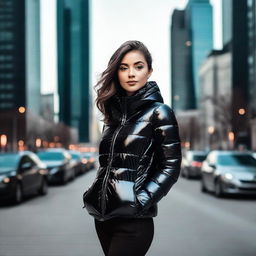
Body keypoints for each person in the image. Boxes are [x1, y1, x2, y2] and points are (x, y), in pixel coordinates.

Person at [83, 40, 181, 256]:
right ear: (116, 73)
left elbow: (171, 166)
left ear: (149, 71)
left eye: (138, 67)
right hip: (103, 219)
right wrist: (93, 192)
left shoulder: (159, 112)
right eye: (123, 67)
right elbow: (107, 165)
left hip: (134, 224)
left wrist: (141, 201)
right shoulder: (112, 117)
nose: (131, 74)